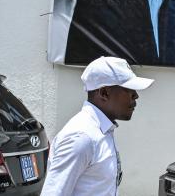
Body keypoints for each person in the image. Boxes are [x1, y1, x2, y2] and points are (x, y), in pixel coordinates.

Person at [41, 56, 154, 196]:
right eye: (129, 89)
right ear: (104, 93)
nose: (136, 96)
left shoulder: (102, 130)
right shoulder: (81, 137)